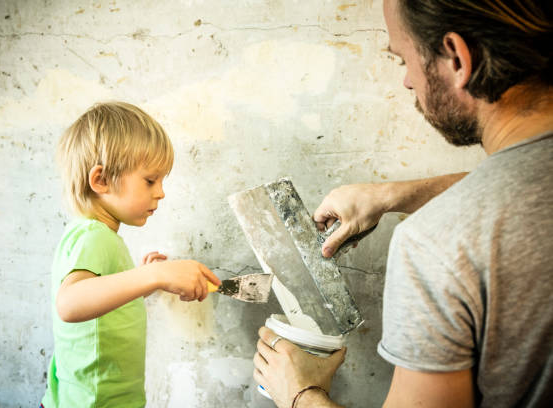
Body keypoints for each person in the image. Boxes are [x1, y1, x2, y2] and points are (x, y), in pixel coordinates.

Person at [254, 0, 553, 407]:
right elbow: (520, 189)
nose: (408, 82)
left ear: (457, 57)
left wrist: (299, 392)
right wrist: (393, 195)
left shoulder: (434, 244)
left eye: (403, 60)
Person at [40, 102, 221, 407]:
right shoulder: (92, 236)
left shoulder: (97, 236)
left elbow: (99, 302)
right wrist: (153, 275)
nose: (161, 191)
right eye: (150, 180)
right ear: (101, 180)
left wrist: (145, 281)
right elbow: (70, 304)